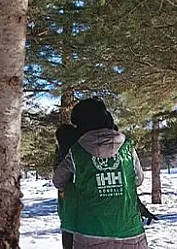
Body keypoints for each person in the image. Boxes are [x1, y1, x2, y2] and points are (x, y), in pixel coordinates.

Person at [54, 99, 148, 248]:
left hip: (89, 232)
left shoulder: (76, 151)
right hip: (130, 231)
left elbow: (58, 181)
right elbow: (138, 179)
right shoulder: (127, 146)